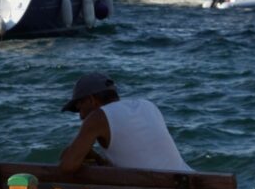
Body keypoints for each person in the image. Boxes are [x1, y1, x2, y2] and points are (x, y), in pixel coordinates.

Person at [56, 71, 188, 175]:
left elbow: (68, 166)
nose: (81, 116)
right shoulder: (148, 105)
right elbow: (141, 160)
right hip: (190, 184)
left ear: (91, 100)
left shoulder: (99, 116)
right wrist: (97, 158)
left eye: (79, 108)